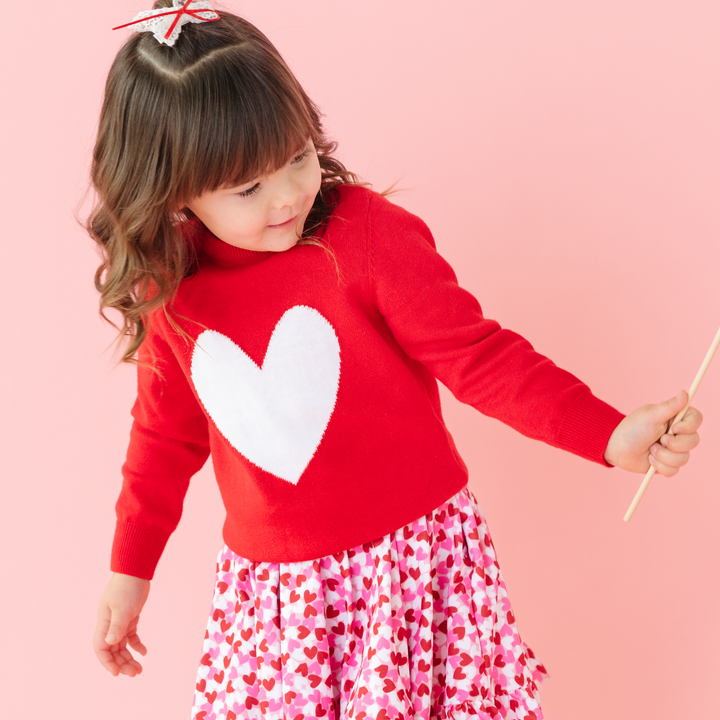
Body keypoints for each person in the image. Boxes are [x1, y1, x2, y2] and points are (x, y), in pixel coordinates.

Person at [89, 3, 703, 719]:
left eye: (296, 156)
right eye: (248, 188)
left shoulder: (369, 238)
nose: (288, 195)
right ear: (175, 195)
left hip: (415, 574)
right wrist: (128, 575)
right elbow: (161, 442)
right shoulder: (171, 296)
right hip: (281, 607)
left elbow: (481, 357)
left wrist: (607, 434)